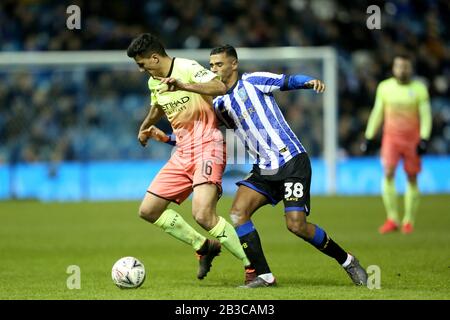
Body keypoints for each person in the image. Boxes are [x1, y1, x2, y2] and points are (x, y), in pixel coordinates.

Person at [208, 45, 368, 288]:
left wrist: (309, 82)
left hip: (291, 161)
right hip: (264, 168)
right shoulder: (219, 104)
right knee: (238, 213)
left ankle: (347, 261)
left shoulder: (253, 81)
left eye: (219, 64)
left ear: (233, 64)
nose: (214, 69)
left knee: (296, 225)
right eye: (211, 65)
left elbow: (288, 81)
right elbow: (205, 132)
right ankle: (264, 276)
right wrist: (169, 139)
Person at [126, 34, 251, 282]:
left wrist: (183, 85)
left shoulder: (187, 67)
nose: (141, 70)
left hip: (208, 146)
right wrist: (145, 126)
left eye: (142, 64)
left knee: (203, 214)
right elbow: (158, 106)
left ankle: (253, 268)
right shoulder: (154, 81)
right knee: (148, 210)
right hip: (182, 152)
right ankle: (203, 246)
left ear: (154, 57)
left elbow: (219, 87)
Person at [361, 54, 432, 234]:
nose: (402, 70)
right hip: (391, 138)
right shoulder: (385, 88)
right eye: (399, 66)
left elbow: (425, 116)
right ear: (394, 68)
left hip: (412, 139)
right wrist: (369, 136)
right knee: (389, 173)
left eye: (405, 66)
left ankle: (408, 220)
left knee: (411, 177)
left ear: (411, 68)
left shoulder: (419, 89)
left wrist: (424, 138)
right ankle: (392, 218)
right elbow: (378, 112)